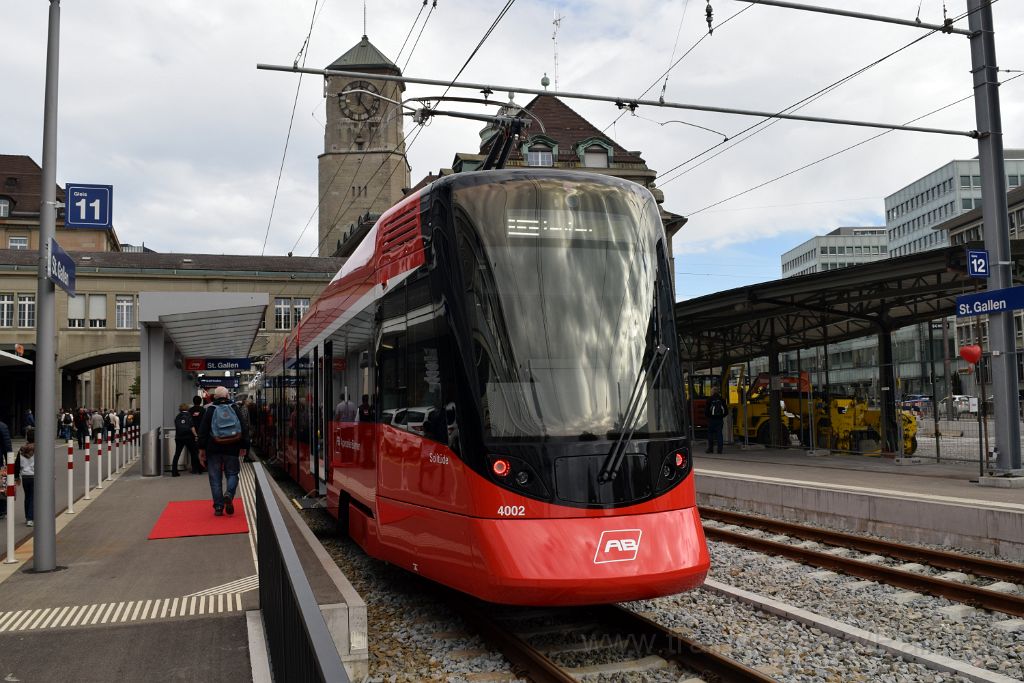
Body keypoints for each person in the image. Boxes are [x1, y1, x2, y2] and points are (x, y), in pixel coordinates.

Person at [198, 386, 249, 516]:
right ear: (227, 396)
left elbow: (202, 431)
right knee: (232, 474)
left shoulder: (210, 409)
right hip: (232, 447)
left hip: (213, 448)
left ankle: (219, 508)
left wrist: (201, 449)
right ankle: (229, 494)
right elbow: (243, 427)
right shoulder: (234, 408)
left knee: (215, 478)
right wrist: (244, 446)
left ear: (215, 397)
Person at [15, 428, 36, 526]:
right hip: (35, 475)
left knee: (27, 496)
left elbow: (17, 464)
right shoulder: (38, 448)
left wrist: (16, 477)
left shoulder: (22, 449)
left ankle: (27, 516)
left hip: (25, 477)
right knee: (33, 497)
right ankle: (30, 518)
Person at [170, 403, 194, 477]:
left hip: (179, 437)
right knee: (193, 452)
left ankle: (174, 472)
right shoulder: (189, 415)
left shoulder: (177, 416)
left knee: (177, 454)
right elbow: (191, 426)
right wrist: (196, 435)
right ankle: (196, 469)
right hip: (188, 437)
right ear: (187, 408)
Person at [704, 387, 727, 454]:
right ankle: (720, 450)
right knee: (719, 434)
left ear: (712, 392)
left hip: (711, 420)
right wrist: (721, 416)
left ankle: (710, 449)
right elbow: (726, 411)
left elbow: (706, 411)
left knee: (710, 434)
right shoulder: (722, 399)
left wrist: (708, 417)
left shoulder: (709, 399)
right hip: (719, 420)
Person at [188, 396, 205, 473]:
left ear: (193, 401)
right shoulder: (203, 410)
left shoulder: (190, 410)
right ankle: (202, 467)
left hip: (192, 434)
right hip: (202, 433)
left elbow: (189, 423)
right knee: (201, 450)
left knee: (193, 451)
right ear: (200, 401)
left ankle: (194, 468)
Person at [0, 417, 11, 520]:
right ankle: (2, 510)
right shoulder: (2, 426)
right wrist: (9, 462)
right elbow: (7, 445)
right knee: (1, 485)